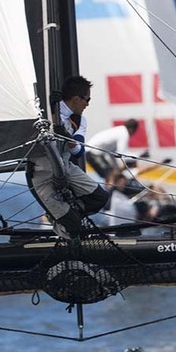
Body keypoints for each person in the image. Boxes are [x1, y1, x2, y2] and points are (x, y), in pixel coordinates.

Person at [27, 76, 110, 239]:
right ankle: (64, 219)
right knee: (73, 226)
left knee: (100, 198)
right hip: (41, 173)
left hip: (65, 167)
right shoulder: (45, 113)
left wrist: (66, 137)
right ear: (76, 98)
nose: (88, 104)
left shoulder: (79, 121)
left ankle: (65, 214)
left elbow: (78, 151)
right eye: (87, 99)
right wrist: (49, 108)